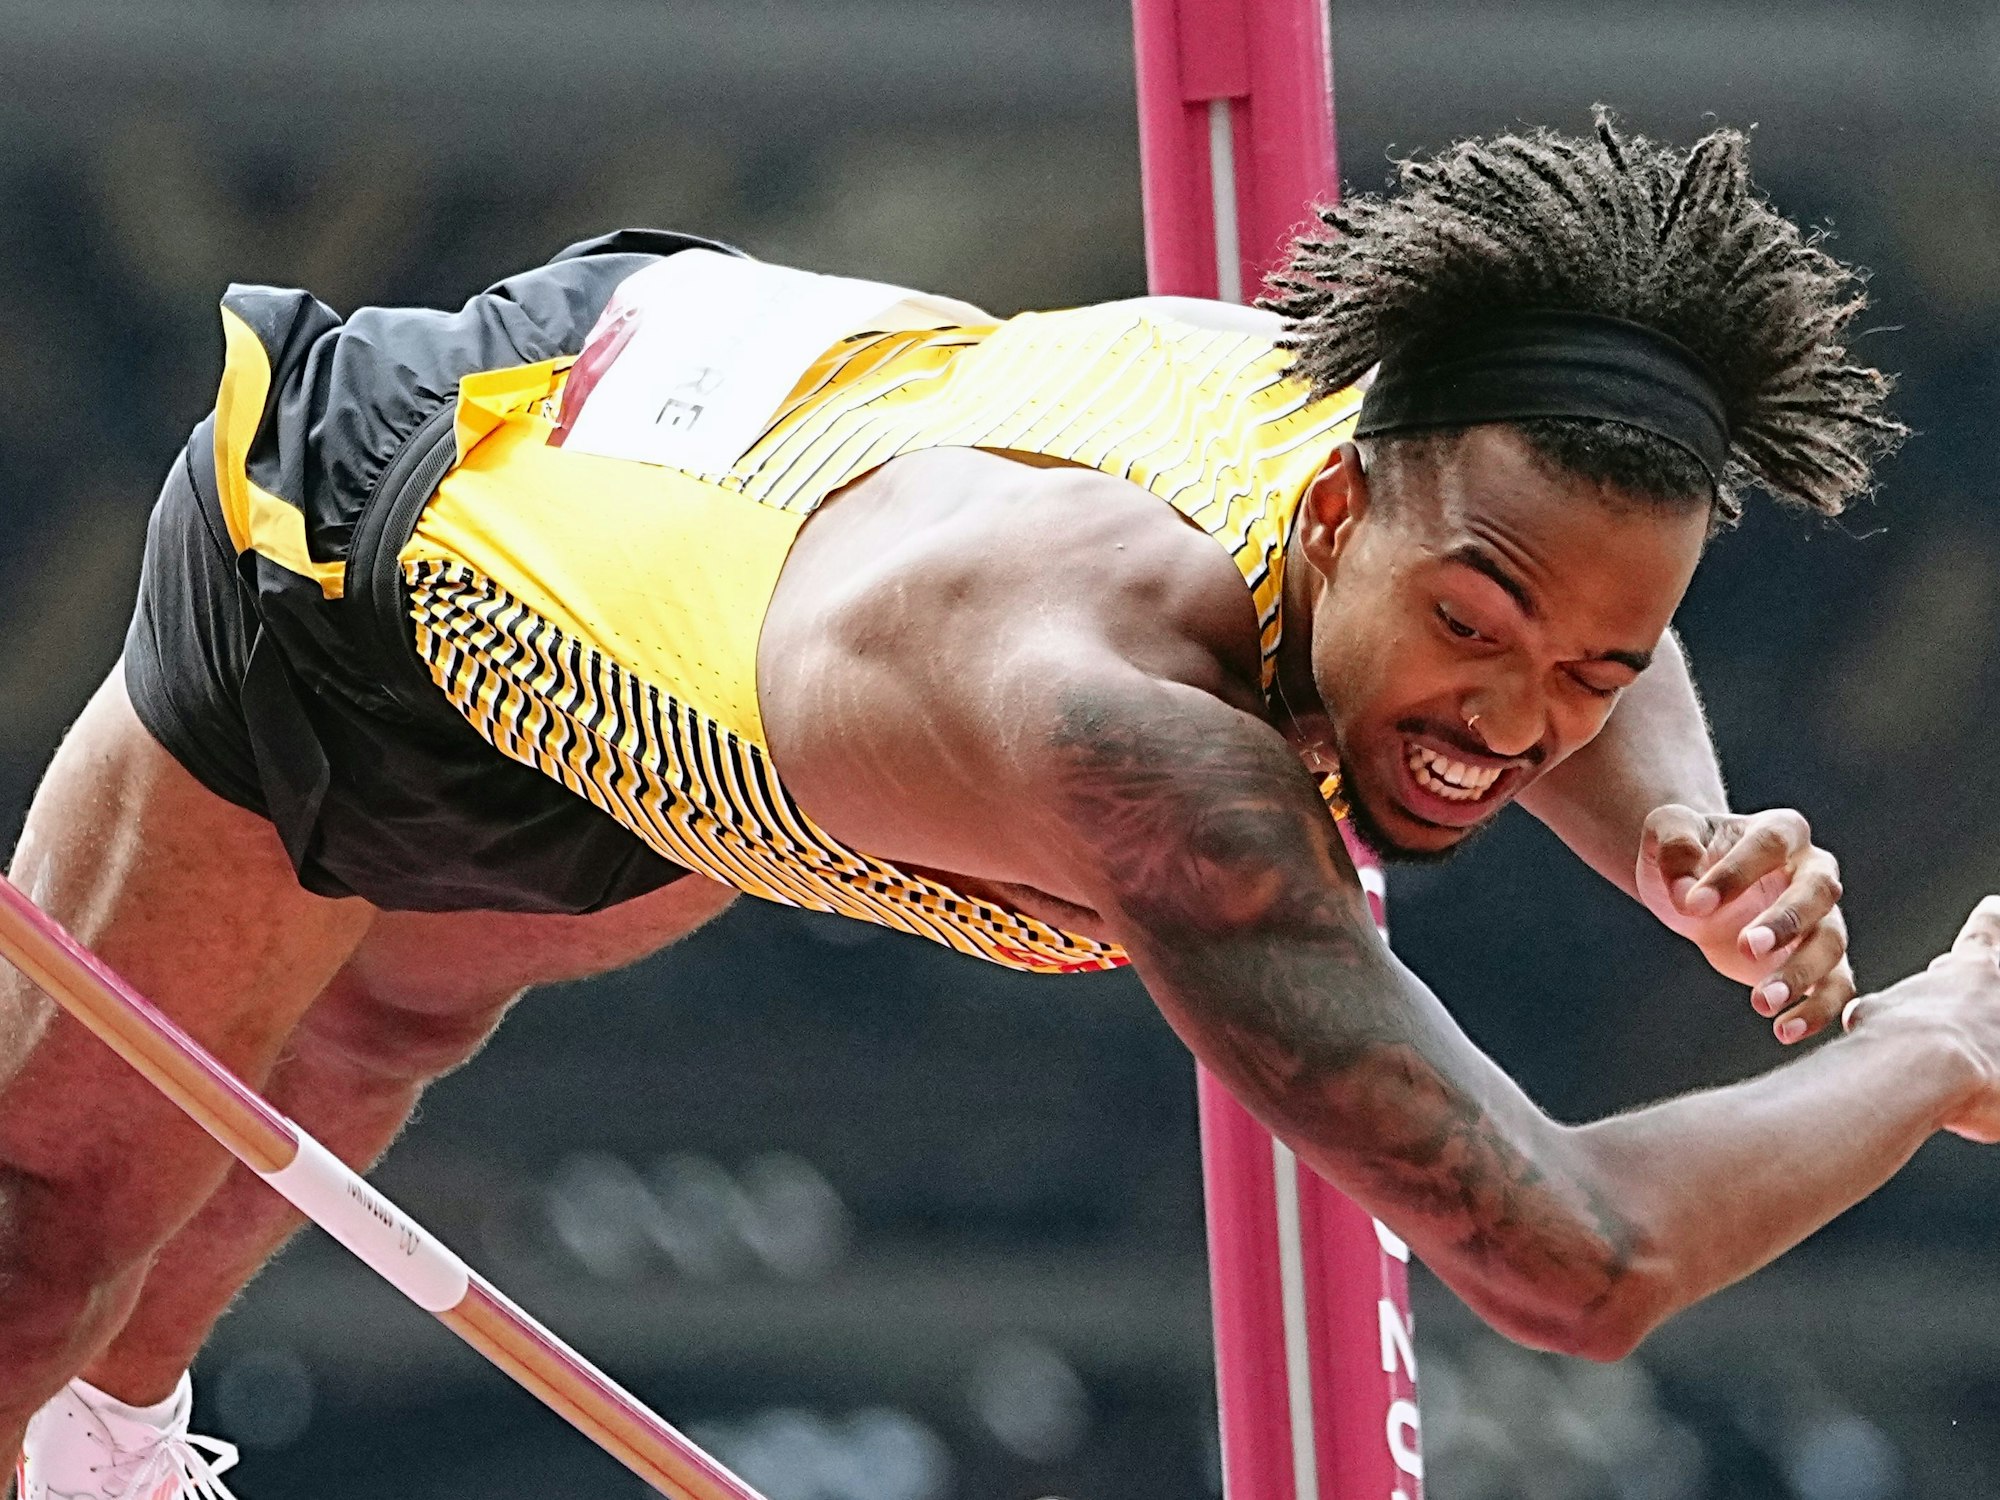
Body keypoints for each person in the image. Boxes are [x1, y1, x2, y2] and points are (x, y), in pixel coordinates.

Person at [3, 111, 1994, 1499]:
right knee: (46, 1235)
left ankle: (105, 1446)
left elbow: (1573, 582)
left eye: (1593, 673)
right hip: (380, 570)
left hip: (687, 565)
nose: (1511, 717)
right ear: (1333, 518)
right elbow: (1576, 1262)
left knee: (359, 1048)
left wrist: (1672, 836)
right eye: (1476, 629)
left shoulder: (1389, 413)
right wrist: (1922, 1046)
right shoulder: (1127, 743)